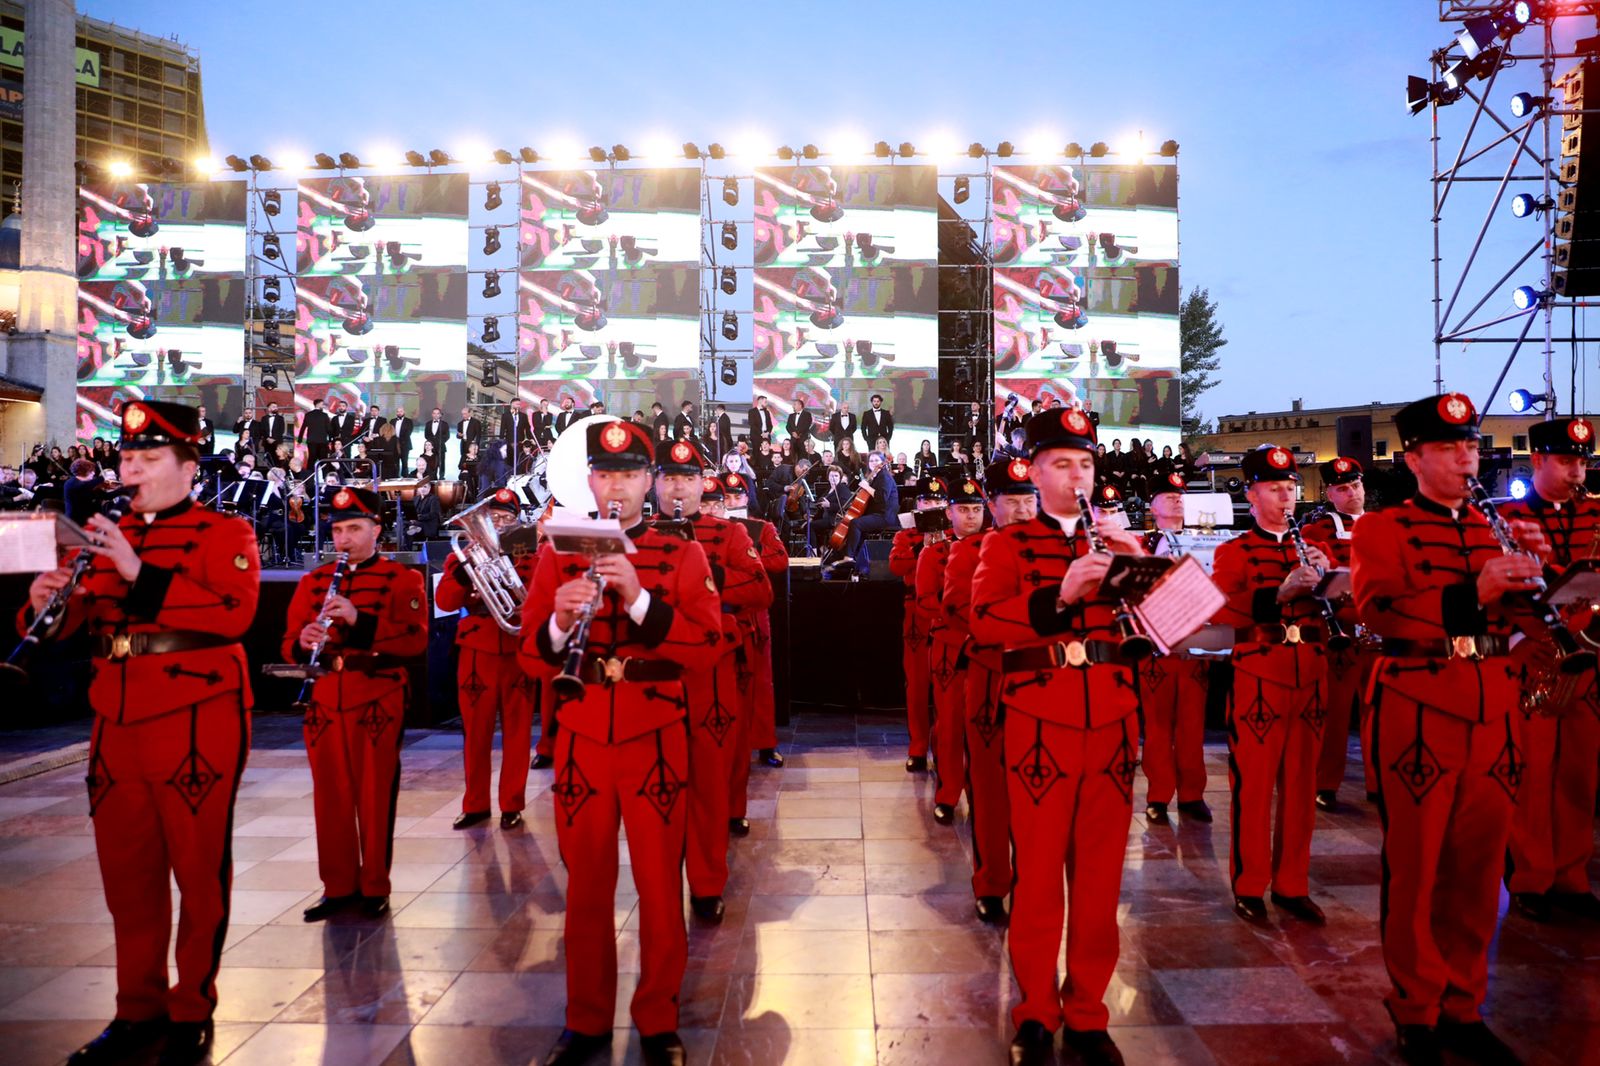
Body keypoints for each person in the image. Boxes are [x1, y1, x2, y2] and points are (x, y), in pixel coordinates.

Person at [25, 400, 259, 1066]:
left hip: (196, 715)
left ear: (188, 467)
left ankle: (191, 1008)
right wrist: (47, 605)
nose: (131, 470)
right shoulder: (100, 539)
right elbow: (70, 625)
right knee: (126, 874)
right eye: (128, 458)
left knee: (198, 870)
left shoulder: (225, 530)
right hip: (115, 717)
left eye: (149, 458)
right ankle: (136, 1008)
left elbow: (234, 614)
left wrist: (137, 570)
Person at [520, 418, 722, 1066]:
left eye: (630, 474)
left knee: (661, 886)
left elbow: (706, 647)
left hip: (654, 735)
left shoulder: (682, 554)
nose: (617, 486)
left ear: (649, 481)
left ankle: (658, 1018)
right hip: (582, 736)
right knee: (585, 888)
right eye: (606, 473)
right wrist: (559, 622)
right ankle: (585, 1021)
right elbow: (531, 658)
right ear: (589, 481)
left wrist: (638, 601)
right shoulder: (558, 554)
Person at [1352, 392, 1545, 1065]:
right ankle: (1416, 1007)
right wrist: (1475, 591)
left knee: (1480, 868)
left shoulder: (1501, 526)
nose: (1467, 458)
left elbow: (1524, 621)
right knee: (1416, 865)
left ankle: (1464, 1005)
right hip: (1419, 704)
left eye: (1470, 447)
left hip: (1495, 704)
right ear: (1413, 459)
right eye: (1448, 448)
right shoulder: (1381, 528)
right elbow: (1379, 612)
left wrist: (1550, 585)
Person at [970, 407, 1144, 1066]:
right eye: (1062, 464)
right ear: (1036, 474)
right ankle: (1036, 1011)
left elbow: (1174, 628)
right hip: (1041, 724)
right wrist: (1061, 596)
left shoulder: (1121, 541)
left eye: (1086, 464)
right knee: (1039, 875)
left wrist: (1140, 566)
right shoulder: (1005, 545)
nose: (1077, 476)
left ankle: (1089, 1012)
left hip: (1113, 722)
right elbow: (984, 624)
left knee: (1100, 880)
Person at [283, 486, 428, 924]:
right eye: (338, 530)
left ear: (376, 530)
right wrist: (302, 641)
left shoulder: (403, 579)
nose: (343, 539)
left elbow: (414, 641)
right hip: (326, 697)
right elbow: (288, 641)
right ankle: (338, 886)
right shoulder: (313, 581)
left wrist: (358, 620)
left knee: (375, 794)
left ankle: (375, 886)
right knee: (329, 797)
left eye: (354, 529)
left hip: (377, 696)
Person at [1209, 445, 1333, 927]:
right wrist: (1280, 592)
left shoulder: (1316, 547)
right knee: (1254, 786)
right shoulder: (1234, 550)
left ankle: (1292, 884)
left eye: (1290, 488)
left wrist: (1330, 582)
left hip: (1310, 674)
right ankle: (1249, 884)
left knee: (1301, 787)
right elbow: (1223, 610)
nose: (1286, 497)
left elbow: (1348, 606)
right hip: (1259, 676)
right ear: (1252, 494)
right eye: (1275, 489)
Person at [654, 445, 772, 924]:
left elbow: (761, 589)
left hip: (713, 667)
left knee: (709, 777)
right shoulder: (633, 536)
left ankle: (706, 882)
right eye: (669, 478)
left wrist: (709, 574)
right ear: (653, 484)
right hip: (655, 671)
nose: (678, 488)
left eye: (687, 478)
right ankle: (659, 883)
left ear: (701, 483)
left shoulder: (729, 533)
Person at [1498, 416, 1600, 924]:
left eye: (1582, 462)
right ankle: (1531, 876)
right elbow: (1491, 590)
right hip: (1534, 657)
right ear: (1537, 461)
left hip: (1588, 656)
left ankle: (1572, 877)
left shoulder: (1598, 515)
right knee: (1532, 774)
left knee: (1581, 774)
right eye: (1565, 461)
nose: (1577, 472)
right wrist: (1518, 640)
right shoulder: (1506, 517)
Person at [945, 457, 1038, 923]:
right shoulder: (969, 552)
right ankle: (992, 881)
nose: (1022, 511)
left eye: (1029, 501)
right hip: (990, 677)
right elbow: (959, 607)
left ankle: (1036, 883)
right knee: (988, 787)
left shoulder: (1057, 550)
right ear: (993, 505)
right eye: (1012, 502)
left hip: (1042, 679)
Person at [437, 488, 541, 831]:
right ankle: (475, 804)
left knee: (518, 732)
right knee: (476, 733)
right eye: (493, 518)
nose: (498, 524)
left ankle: (512, 804)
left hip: (517, 651)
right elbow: (446, 601)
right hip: (477, 650)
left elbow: (541, 597)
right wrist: (466, 574)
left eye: (506, 518)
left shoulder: (532, 557)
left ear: (517, 523)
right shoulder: (463, 557)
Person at [1302, 457, 1378, 810]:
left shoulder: (1383, 526)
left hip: (1380, 632)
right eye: (1343, 489)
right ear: (1329, 493)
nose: (1352, 494)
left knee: (1378, 712)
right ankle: (1326, 782)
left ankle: (1378, 782)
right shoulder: (1318, 530)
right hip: (1341, 632)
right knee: (1334, 712)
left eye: (1356, 486)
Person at [1140, 473, 1213, 825]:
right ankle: (1158, 794)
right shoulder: (1141, 544)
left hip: (1195, 641)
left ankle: (1192, 794)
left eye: (1180, 494)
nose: (1177, 499)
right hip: (1156, 644)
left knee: (1192, 723)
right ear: (1152, 506)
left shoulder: (1205, 541)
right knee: (1157, 725)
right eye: (1168, 495)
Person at [917, 474, 987, 825]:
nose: (971, 516)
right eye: (964, 509)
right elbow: (925, 601)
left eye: (976, 509)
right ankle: (948, 793)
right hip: (950, 646)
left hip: (987, 648)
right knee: (950, 723)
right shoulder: (934, 553)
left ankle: (983, 794)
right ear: (949, 513)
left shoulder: (997, 548)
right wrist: (960, 617)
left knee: (985, 725)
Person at [721, 471, 791, 786]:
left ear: (746, 498)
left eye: (737, 496)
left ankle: (765, 744)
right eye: (727, 497)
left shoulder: (762, 527)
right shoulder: (712, 529)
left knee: (761, 680)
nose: (732, 501)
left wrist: (748, 554)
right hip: (722, 611)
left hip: (754, 611)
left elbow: (780, 560)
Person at [889, 476, 949, 772]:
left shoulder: (956, 534)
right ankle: (918, 747)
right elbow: (896, 565)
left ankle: (945, 747)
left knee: (947, 684)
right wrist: (920, 549)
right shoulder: (906, 534)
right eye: (927, 500)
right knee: (917, 683)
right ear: (918, 504)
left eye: (938, 500)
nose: (932, 505)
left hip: (947, 612)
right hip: (916, 614)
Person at [839, 451, 899, 574]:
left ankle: (849, 557)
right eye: (871, 460)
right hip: (878, 514)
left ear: (882, 462)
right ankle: (857, 560)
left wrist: (866, 486)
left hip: (885, 517)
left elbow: (881, 498)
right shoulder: (876, 477)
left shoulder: (884, 476)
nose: (873, 463)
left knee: (856, 523)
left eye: (876, 460)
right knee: (857, 523)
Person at [64, 458, 103, 524]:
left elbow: (105, 495)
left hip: (84, 517)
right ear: (83, 472)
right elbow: (85, 486)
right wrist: (103, 478)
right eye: (90, 471)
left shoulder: (81, 482)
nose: (93, 473)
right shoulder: (73, 484)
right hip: (76, 521)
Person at [299, 397, 332, 463]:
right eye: (322, 404)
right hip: (322, 441)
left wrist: (300, 440)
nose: (323, 406)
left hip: (311, 441)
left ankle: (310, 470)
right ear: (318, 404)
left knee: (311, 459)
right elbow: (328, 428)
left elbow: (303, 427)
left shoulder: (308, 415)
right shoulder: (324, 415)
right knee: (323, 460)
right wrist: (330, 439)